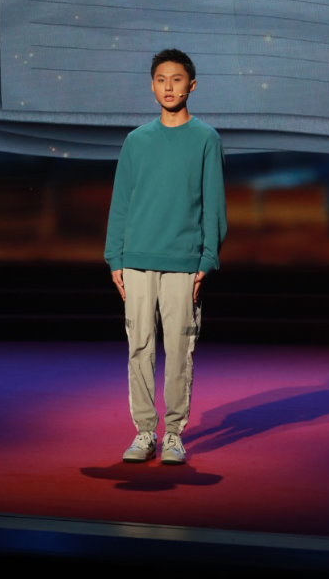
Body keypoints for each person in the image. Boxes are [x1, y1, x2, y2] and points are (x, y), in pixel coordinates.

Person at [104, 49, 227, 465]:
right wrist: (114, 257)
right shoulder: (136, 141)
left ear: (192, 85)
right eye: (161, 79)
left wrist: (206, 260)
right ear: (152, 86)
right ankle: (144, 432)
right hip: (136, 260)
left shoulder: (206, 138)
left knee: (179, 350)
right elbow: (121, 203)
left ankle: (173, 433)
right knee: (139, 347)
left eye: (177, 79)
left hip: (184, 262)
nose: (169, 87)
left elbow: (214, 206)